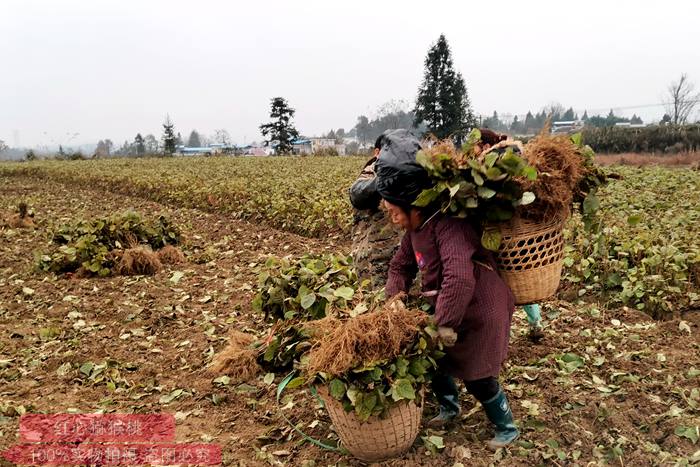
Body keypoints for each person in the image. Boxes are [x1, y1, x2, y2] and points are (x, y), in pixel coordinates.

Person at [375, 130, 519, 449]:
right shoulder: (414, 231)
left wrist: (444, 324)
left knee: (478, 375)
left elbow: (459, 276)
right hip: (449, 310)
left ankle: (506, 426)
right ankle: (449, 408)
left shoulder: (448, 223)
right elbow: (400, 266)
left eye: (395, 211)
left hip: (482, 309)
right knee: (435, 363)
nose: (394, 219)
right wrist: (394, 296)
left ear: (414, 205)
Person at [476, 129, 544, 341]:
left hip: (501, 231)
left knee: (503, 281)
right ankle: (535, 323)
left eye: (476, 145)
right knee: (519, 275)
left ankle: (504, 331)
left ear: (486, 146)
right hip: (518, 231)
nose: (473, 150)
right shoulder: (512, 155)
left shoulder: (493, 163)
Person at [348, 133, 402, 289]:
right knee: (377, 305)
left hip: (401, 257)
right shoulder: (371, 171)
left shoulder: (404, 171)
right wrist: (387, 182)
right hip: (374, 260)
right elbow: (358, 194)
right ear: (377, 153)